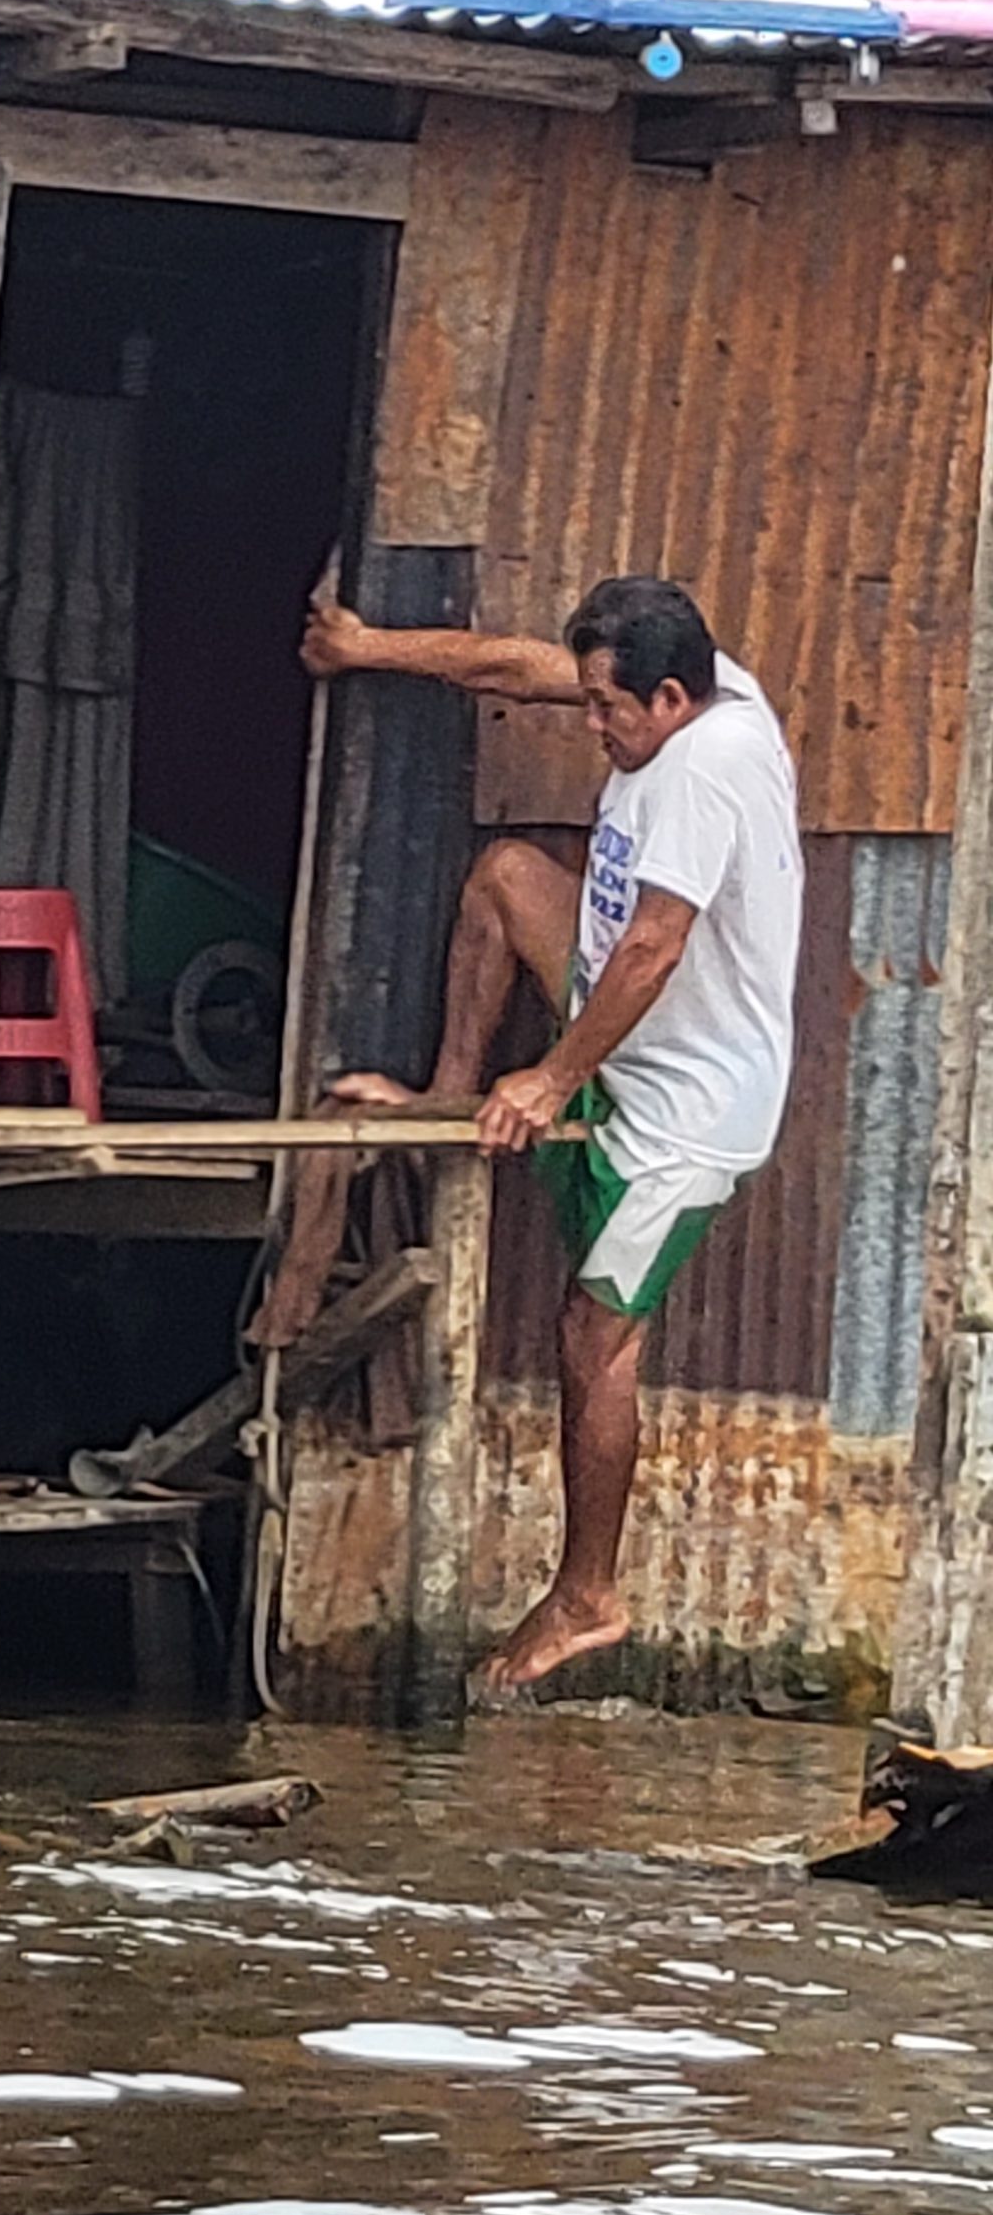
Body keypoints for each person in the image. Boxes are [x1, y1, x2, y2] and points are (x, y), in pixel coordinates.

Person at [258, 575, 803, 1696]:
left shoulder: (704, 769)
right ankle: (453, 1095)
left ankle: (588, 1593)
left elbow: (654, 946)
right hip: (624, 1027)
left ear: (667, 696)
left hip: (690, 1099)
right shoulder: (702, 685)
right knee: (509, 877)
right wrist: (366, 645)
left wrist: (554, 1078)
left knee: (592, 1337)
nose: (590, 728)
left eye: (608, 711)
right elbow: (515, 667)